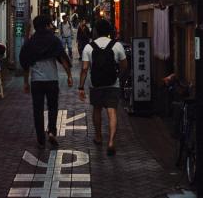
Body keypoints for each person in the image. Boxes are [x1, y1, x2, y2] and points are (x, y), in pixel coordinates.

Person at [19, 15, 73, 149]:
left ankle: (40, 138)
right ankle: (52, 132)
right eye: (49, 24)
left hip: (36, 81)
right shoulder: (54, 40)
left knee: (37, 109)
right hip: (52, 80)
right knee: (53, 107)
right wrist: (69, 75)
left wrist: (26, 82)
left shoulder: (31, 42)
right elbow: (63, 59)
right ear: (47, 25)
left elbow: (25, 63)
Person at [78, 18, 128, 156]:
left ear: (96, 31)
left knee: (97, 110)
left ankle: (99, 137)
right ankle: (111, 141)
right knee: (112, 112)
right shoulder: (117, 45)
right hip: (113, 84)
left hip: (96, 85)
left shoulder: (89, 47)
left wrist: (81, 87)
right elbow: (124, 66)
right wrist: (118, 77)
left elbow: (85, 69)